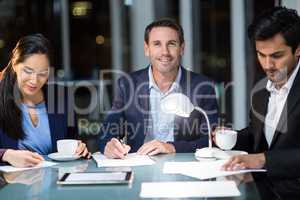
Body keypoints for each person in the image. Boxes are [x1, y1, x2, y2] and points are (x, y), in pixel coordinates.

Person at [99, 19, 218, 158]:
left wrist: (171, 147)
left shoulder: (203, 86)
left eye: (171, 44)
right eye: (157, 44)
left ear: (182, 48)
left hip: (185, 166)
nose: (165, 52)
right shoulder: (127, 84)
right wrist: (109, 145)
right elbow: (107, 131)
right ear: (146, 49)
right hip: (140, 165)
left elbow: (211, 140)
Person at [217, 7, 300, 199]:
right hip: (263, 192)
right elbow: (258, 136)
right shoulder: (261, 89)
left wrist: (263, 160)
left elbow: (267, 155)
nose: (267, 65)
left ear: (297, 50)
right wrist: (229, 138)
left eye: (277, 56)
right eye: (261, 55)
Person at [0, 34, 90, 167]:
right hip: (10, 184)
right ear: (14, 64)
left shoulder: (61, 96)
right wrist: (6, 154)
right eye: (28, 71)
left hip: (53, 181)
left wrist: (79, 148)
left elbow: (72, 139)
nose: (34, 80)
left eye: (43, 73)